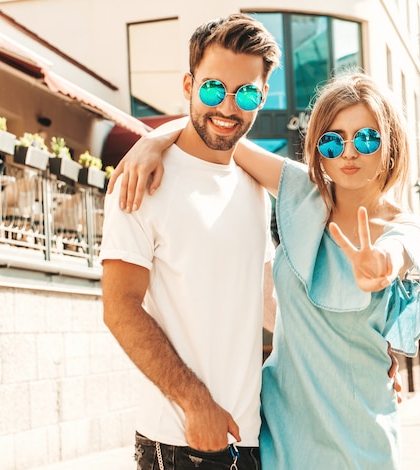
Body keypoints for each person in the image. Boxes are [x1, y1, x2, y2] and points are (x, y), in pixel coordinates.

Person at [109, 71, 420, 469]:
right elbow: (219, 134)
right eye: (333, 140)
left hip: (362, 439)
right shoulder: (300, 191)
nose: (349, 152)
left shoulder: (406, 228)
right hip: (282, 434)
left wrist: (379, 266)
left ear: (391, 145)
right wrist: (152, 140)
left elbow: (395, 253)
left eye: (367, 138)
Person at [99, 13, 281, 469]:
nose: (227, 108)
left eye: (246, 94)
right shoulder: (141, 181)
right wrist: (194, 402)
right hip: (182, 442)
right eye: (213, 88)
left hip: (254, 435)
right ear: (188, 85)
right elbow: (119, 306)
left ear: (262, 97)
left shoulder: (254, 185)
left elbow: (266, 300)